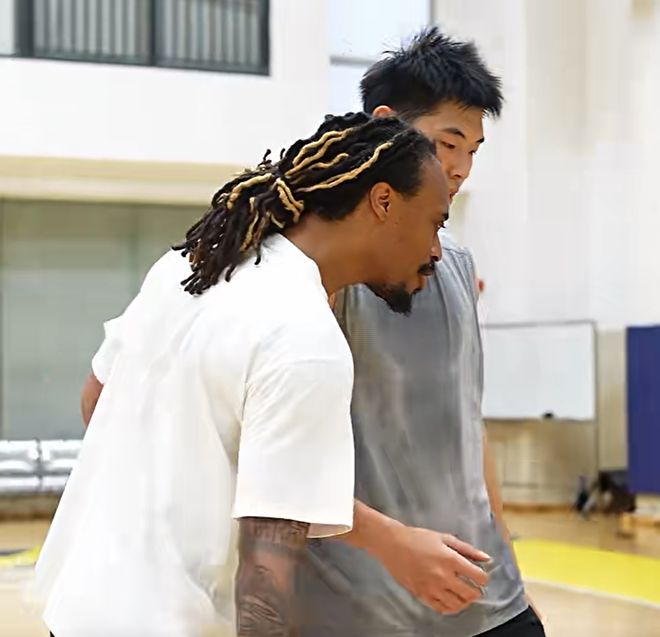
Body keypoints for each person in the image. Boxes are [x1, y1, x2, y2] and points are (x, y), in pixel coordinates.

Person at [34, 112, 451, 637]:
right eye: (436, 223)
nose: (437, 250)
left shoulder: (188, 266)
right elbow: (264, 584)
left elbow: (95, 399)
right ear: (383, 201)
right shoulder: (304, 336)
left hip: (78, 607)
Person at [298, 29, 546, 637]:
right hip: (365, 612)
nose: (460, 168)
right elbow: (274, 454)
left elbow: (468, 424)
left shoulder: (455, 262)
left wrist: (509, 570)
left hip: (486, 600)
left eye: (473, 151)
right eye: (446, 144)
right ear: (387, 127)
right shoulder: (323, 269)